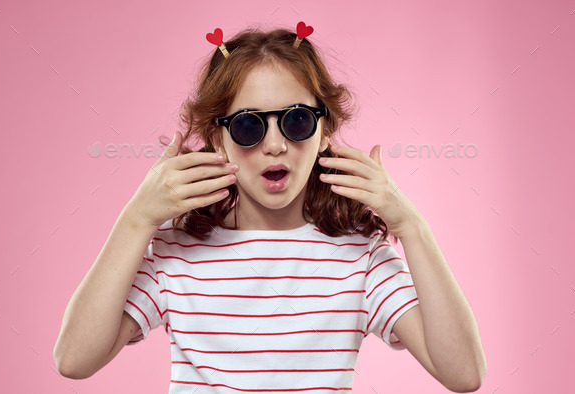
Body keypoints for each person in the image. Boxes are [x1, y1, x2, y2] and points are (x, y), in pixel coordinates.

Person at [54, 22, 486, 393]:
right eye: (248, 125)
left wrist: (412, 227)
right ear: (218, 137)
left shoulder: (361, 258)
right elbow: (74, 359)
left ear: (324, 130)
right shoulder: (176, 254)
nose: (275, 145)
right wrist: (135, 220)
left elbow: (463, 373)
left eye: (297, 120)